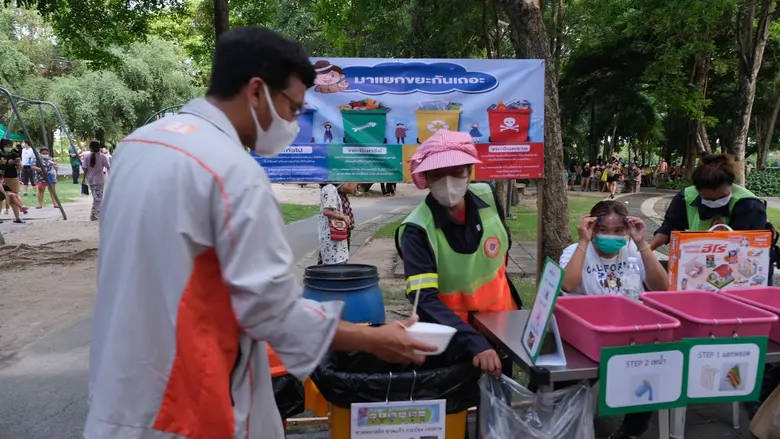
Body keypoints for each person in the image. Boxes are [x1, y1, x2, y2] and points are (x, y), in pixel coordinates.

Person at [84, 27, 435, 439]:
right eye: (292, 108)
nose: (292, 122)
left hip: (118, 396)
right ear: (256, 92)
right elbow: (273, 312)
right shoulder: (232, 171)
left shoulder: (138, 146)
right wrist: (374, 339)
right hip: (187, 408)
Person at [395, 129, 522, 379]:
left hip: (501, 325)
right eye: (438, 174)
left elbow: (500, 257)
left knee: (499, 406)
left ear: (469, 173)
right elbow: (425, 300)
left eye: (456, 172)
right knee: (457, 412)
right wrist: (474, 342)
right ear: (427, 178)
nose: (448, 181)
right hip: (452, 339)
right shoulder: (417, 229)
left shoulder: (487, 196)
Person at [560, 200, 667, 439]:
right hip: (588, 333)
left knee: (649, 365)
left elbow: (662, 287)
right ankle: (566, 420)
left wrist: (641, 243)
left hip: (632, 332)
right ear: (592, 228)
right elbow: (567, 284)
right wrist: (584, 241)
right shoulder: (575, 251)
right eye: (603, 230)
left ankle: (631, 430)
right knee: (566, 374)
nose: (612, 236)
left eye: (619, 230)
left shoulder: (633, 249)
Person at [650, 154, 769, 252]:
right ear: (698, 190)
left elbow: (752, 248)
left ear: (730, 185)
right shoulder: (686, 197)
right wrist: (647, 250)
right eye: (708, 198)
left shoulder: (749, 205)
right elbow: (669, 227)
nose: (715, 202)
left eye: (721, 197)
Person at [318, 182, 357, 264]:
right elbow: (327, 211)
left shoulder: (327, 188)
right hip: (333, 235)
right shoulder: (330, 188)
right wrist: (343, 217)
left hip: (330, 234)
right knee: (337, 263)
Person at [81, 140, 111, 221]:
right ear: (99, 147)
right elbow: (108, 167)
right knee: (98, 198)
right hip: (99, 180)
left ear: (90, 147)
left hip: (90, 180)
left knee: (96, 197)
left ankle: (97, 213)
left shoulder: (87, 156)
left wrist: (83, 179)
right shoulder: (102, 156)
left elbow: (85, 169)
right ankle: (94, 214)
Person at [0, 139, 20, 214]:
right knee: (1, 198)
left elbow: (19, 168)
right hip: (1, 178)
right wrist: (8, 163)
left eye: (10, 146)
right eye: (6, 146)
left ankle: (17, 217)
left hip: (12, 176)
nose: (8, 147)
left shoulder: (14, 154)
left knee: (14, 196)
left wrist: (18, 163)